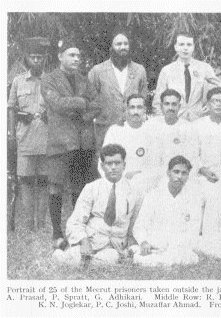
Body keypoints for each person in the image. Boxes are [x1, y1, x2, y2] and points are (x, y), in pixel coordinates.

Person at [42, 38, 101, 249]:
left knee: (80, 188)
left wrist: (82, 112)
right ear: (60, 56)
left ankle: (77, 231)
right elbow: (57, 104)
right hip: (60, 143)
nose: (76, 59)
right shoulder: (49, 79)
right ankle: (57, 233)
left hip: (83, 142)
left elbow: (97, 105)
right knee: (56, 186)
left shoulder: (85, 80)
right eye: (71, 55)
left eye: (78, 55)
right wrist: (82, 102)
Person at [52, 144, 136, 265]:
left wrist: (131, 247)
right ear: (102, 166)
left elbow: (135, 224)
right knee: (80, 255)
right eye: (109, 163)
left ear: (124, 165)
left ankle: (74, 259)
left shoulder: (133, 191)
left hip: (115, 246)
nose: (113, 167)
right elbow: (76, 221)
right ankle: (75, 257)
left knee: (110, 258)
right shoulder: (91, 188)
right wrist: (84, 242)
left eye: (117, 163)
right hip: (92, 241)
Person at [131, 156, 205, 266]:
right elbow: (139, 225)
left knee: (187, 258)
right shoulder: (154, 195)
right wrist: (143, 242)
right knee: (146, 259)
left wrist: (176, 246)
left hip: (180, 249)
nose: (180, 176)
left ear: (188, 176)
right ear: (168, 173)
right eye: (176, 172)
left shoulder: (193, 199)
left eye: (184, 173)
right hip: (155, 247)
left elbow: (193, 231)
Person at [8, 37, 50, 230]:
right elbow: (11, 108)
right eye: (33, 57)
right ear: (27, 58)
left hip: (46, 139)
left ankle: (40, 224)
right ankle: (27, 224)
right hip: (24, 139)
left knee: (42, 181)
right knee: (24, 181)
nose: (36, 61)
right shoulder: (18, 81)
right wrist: (10, 135)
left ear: (45, 58)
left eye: (39, 57)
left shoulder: (51, 81)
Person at [87, 31, 148, 152]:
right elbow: (89, 102)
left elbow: (143, 98)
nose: (123, 47)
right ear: (111, 48)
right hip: (105, 130)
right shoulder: (97, 71)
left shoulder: (139, 70)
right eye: (118, 44)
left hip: (132, 130)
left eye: (126, 44)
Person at [152, 32, 218, 121]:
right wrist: (162, 123)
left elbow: (218, 89)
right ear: (175, 47)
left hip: (198, 120)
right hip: (175, 121)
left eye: (189, 44)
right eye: (181, 44)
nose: (185, 48)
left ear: (194, 47)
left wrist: (211, 104)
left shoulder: (204, 68)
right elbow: (157, 102)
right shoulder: (167, 70)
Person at [101, 94, 158, 195]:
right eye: (132, 107)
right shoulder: (115, 131)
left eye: (139, 107)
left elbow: (155, 165)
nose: (135, 112)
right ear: (126, 109)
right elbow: (103, 163)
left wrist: (139, 178)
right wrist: (122, 177)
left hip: (145, 187)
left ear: (144, 109)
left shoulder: (152, 132)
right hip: (119, 186)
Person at [148, 89, 200, 178]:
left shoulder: (187, 128)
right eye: (167, 104)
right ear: (161, 106)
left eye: (174, 104)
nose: (170, 108)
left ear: (179, 106)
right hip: (155, 178)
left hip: (179, 178)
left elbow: (193, 159)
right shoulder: (151, 126)